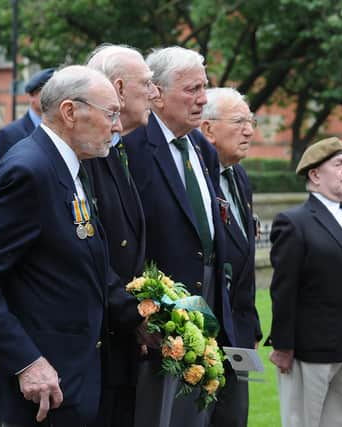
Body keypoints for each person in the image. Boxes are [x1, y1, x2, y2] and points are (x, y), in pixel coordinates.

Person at [0, 65, 146, 427]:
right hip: (42, 393)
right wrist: (26, 363)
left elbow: (89, 262)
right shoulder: (30, 170)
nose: (117, 127)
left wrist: (137, 317)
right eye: (111, 114)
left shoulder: (70, 166)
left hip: (74, 381)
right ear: (70, 112)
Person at [124, 46, 236, 427]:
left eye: (205, 87)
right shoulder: (133, 147)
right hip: (158, 322)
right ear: (156, 92)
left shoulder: (201, 148)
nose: (203, 98)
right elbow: (125, 235)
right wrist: (140, 313)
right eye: (192, 89)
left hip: (204, 317)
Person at [267, 137, 342, 427]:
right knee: (303, 422)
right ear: (315, 175)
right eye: (338, 164)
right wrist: (283, 345)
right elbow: (284, 288)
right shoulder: (295, 222)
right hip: (313, 347)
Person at [83, 44, 158, 427]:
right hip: (94, 342)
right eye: (147, 83)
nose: (154, 92)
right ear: (119, 87)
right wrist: (135, 315)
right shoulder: (87, 157)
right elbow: (90, 252)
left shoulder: (116, 151)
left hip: (119, 337)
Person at [200, 87, 262, 427]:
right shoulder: (197, 177)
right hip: (203, 331)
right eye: (238, 121)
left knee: (234, 418)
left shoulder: (238, 176)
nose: (249, 130)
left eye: (250, 121)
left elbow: (245, 262)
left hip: (238, 334)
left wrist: (251, 323)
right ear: (208, 129)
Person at [0, 67, 55, 166]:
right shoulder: (8, 135)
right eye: (47, 92)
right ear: (31, 96)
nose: (53, 97)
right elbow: (0, 178)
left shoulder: (60, 129)